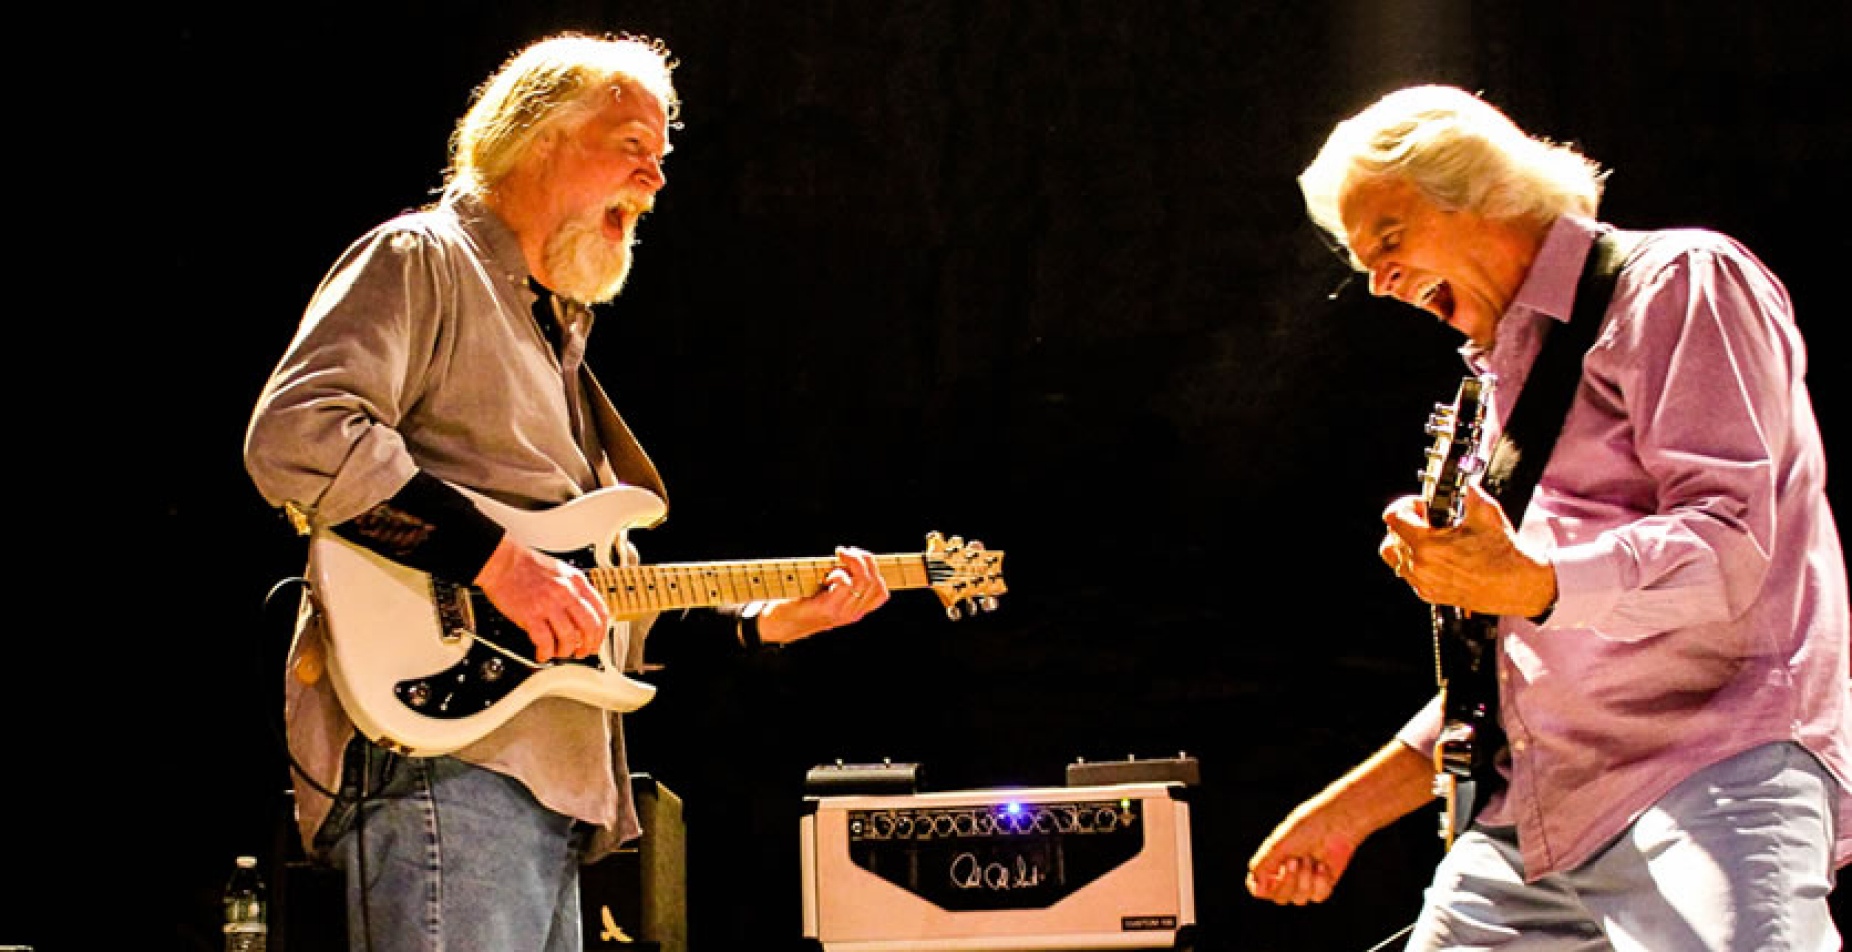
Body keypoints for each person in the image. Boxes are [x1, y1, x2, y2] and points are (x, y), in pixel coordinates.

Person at [243, 32, 890, 952]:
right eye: (632, 148)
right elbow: (298, 435)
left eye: (662, 158)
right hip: (448, 767)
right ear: (537, 137)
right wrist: (502, 565)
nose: (656, 181)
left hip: (546, 785)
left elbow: (580, 606)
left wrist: (758, 620)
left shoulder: (555, 334)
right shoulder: (423, 260)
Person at [1246, 84, 1849, 950]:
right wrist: (1357, 805)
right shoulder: (1499, 382)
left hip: (1711, 774)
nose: (1379, 283)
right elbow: (1528, 650)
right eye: (1361, 258)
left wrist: (1527, 579)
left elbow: (1730, 546)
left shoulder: (1679, 281)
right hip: (1534, 814)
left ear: (1484, 193)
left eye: (1389, 239)